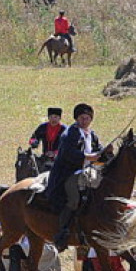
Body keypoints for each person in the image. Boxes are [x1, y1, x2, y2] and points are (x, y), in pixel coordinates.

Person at [45, 103, 111, 251]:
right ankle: (62, 232)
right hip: (68, 173)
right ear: (77, 118)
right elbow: (68, 154)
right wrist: (89, 157)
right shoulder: (70, 134)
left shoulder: (91, 134)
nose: (85, 121)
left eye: (87, 118)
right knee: (74, 200)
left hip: (88, 172)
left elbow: (98, 150)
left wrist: (105, 152)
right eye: (82, 118)